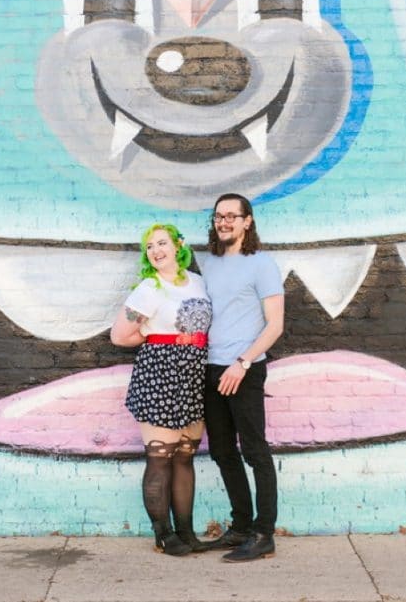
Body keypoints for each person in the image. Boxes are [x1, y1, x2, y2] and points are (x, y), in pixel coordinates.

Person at [110, 223, 213, 556]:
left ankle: (186, 532)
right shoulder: (149, 288)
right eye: (150, 246)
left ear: (178, 246)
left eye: (162, 243)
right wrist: (155, 338)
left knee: (185, 457)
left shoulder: (197, 281)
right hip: (161, 375)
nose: (156, 251)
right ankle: (163, 535)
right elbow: (119, 336)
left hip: (194, 376)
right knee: (160, 458)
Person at [200, 193, 285, 563]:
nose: (224, 222)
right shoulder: (209, 263)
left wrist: (243, 362)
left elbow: (275, 325)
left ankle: (264, 534)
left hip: (244, 369)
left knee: (254, 451)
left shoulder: (262, 264)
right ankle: (240, 526)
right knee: (222, 451)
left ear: (247, 221)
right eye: (219, 216)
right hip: (212, 368)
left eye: (232, 216)